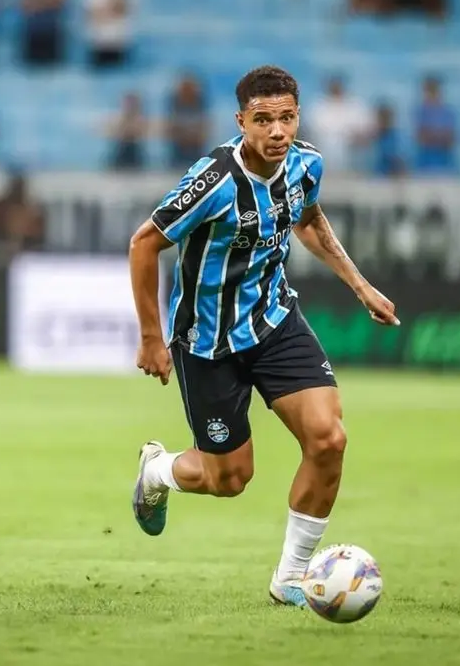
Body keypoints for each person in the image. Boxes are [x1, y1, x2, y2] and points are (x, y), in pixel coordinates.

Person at [127, 65, 398, 607]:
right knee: (229, 479)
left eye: (287, 118)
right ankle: (156, 471)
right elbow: (144, 243)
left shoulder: (306, 164)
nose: (277, 131)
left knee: (329, 439)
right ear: (241, 122)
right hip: (208, 341)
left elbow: (308, 220)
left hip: (275, 322)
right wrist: (152, 338)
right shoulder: (213, 180)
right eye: (263, 120)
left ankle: (290, 578)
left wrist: (360, 285)